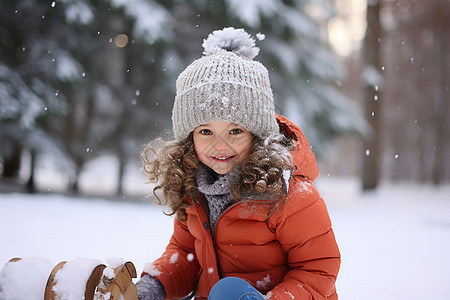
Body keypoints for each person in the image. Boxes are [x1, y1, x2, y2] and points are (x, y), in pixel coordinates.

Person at [136, 27, 340, 300]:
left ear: (257, 135)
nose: (220, 146)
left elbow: (317, 269)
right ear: (189, 138)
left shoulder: (289, 194)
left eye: (235, 131)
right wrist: (154, 287)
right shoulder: (193, 187)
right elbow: (184, 254)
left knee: (228, 291)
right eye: (206, 132)